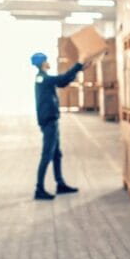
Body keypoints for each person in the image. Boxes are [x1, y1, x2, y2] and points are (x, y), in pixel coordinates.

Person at [30, 52, 85, 200]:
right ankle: (39, 189)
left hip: (52, 120)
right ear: (42, 63)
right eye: (46, 60)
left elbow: (63, 82)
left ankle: (60, 184)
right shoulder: (42, 78)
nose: (48, 62)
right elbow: (61, 79)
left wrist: (80, 69)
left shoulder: (45, 78)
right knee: (47, 155)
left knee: (56, 154)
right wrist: (79, 64)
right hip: (49, 122)